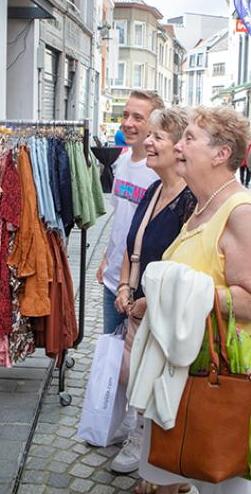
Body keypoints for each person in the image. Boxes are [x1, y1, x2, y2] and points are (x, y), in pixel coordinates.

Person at [139, 105, 251, 494]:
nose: (178, 145)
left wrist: (170, 295)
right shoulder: (203, 205)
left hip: (226, 377)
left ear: (221, 154)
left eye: (188, 138)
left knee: (225, 484)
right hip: (193, 368)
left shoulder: (242, 211)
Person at [111, 107, 197, 480]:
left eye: (157, 137)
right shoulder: (153, 189)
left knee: (158, 383)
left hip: (162, 315)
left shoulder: (191, 201)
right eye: (150, 135)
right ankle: (139, 433)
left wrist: (152, 299)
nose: (147, 141)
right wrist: (125, 285)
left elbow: (188, 269)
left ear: (179, 147)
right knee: (130, 375)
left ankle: (150, 446)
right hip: (137, 308)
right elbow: (136, 246)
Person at [98, 91, 165, 336]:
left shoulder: (159, 170)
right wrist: (106, 257)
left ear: (154, 123)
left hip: (140, 286)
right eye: (125, 115)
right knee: (112, 356)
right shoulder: (122, 161)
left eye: (138, 117)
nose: (127, 123)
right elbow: (119, 219)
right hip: (113, 279)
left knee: (134, 364)